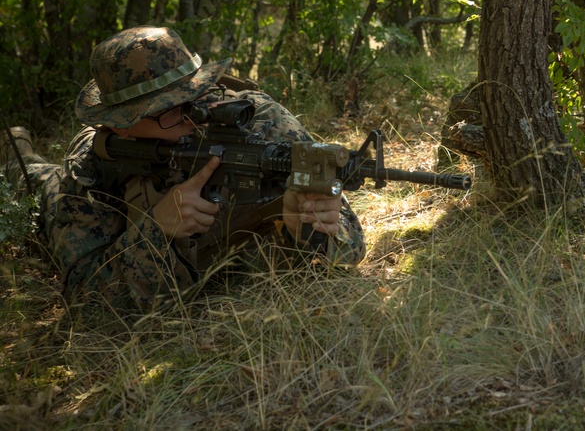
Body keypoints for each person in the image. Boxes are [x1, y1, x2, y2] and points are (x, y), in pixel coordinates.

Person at [1, 26, 365, 313]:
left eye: (196, 95)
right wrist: (156, 231)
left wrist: (312, 229)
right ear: (121, 124)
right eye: (171, 109)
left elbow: (348, 242)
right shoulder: (92, 165)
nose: (194, 115)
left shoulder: (260, 122)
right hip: (52, 191)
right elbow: (86, 300)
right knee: (31, 177)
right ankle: (14, 145)